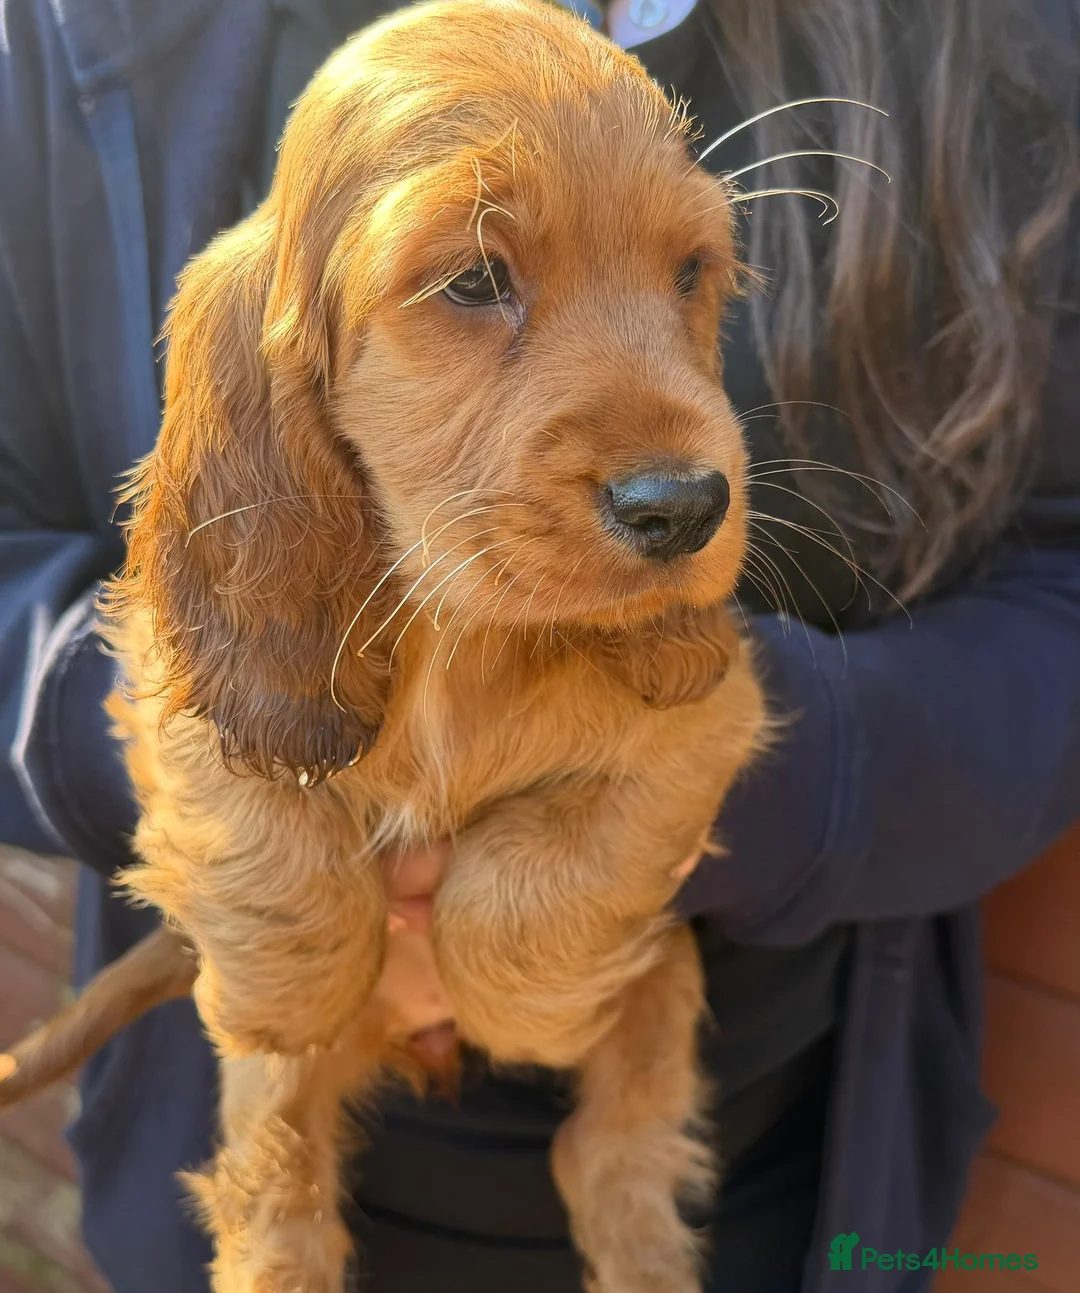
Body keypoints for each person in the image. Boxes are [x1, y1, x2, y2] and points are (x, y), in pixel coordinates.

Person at [2, 0, 1078, 1290]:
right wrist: (224, 804)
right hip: (216, 1141)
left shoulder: (1004, 46)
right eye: (472, 282)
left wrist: (752, 797)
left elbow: (1056, 575)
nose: (675, 468)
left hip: (782, 1173)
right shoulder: (65, 37)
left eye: (693, 274)